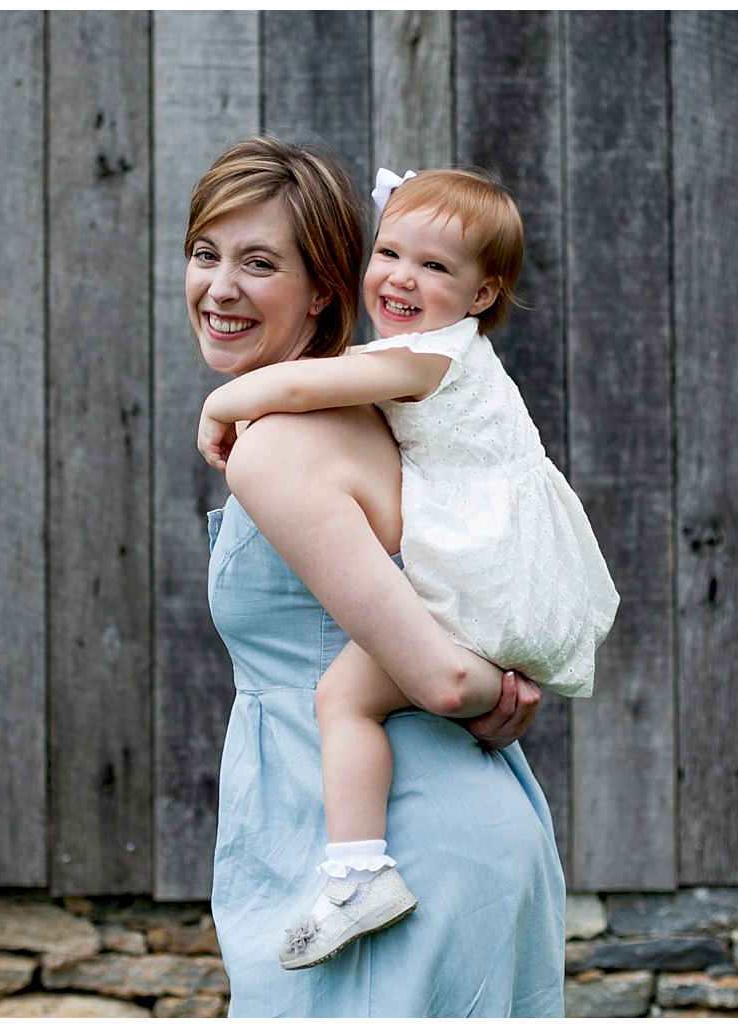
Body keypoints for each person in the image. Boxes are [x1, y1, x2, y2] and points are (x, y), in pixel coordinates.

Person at [198, 164, 619, 970]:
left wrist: (500, 689)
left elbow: (444, 679)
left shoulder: (286, 440)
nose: (220, 287)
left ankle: (358, 877)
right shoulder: (374, 407)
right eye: (204, 252)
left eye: (258, 263)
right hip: (388, 828)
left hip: (411, 850)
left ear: (324, 288)